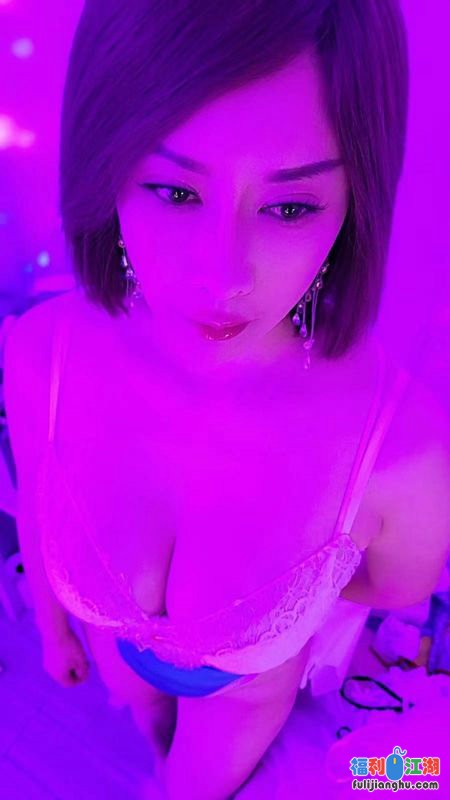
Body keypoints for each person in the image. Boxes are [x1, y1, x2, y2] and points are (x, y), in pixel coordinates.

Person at [4, 1, 450, 798]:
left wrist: (288, 591)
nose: (223, 276)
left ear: (354, 205)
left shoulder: (403, 448)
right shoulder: (44, 353)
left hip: (241, 702)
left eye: (289, 207)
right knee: (140, 720)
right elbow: (38, 503)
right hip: (114, 656)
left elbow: (396, 586)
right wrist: (51, 626)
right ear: (108, 166)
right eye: (174, 192)